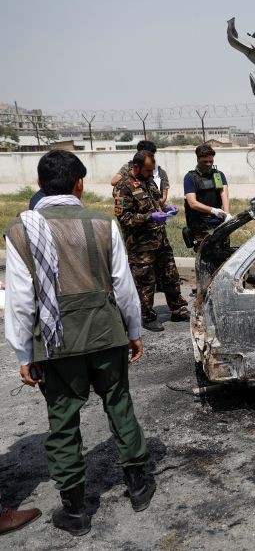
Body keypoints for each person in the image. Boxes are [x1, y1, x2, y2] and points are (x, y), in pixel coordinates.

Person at [4, 150, 155, 536]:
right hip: (106, 334)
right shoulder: (103, 223)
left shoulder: (21, 230)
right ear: (79, 184)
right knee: (119, 404)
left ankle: (75, 511)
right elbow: (124, 287)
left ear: (39, 185)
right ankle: (138, 487)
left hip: (57, 343)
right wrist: (134, 332)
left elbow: (20, 302)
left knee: (63, 421)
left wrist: (24, 353)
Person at [115, 150, 189, 332]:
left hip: (160, 240)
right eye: (147, 170)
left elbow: (157, 203)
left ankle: (178, 309)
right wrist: (150, 217)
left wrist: (167, 207)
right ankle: (147, 316)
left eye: (151, 170)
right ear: (136, 167)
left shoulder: (149, 182)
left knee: (171, 275)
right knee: (145, 282)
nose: (150, 174)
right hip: (141, 245)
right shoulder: (123, 187)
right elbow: (124, 218)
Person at [183, 144, 231, 250]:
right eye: (205, 162)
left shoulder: (218, 175)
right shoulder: (190, 178)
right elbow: (192, 203)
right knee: (205, 256)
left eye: (211, 161)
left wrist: (226, 214)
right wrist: (213, 211)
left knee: (224, 252)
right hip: (200, 224)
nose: (209, 164)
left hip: (218, 223)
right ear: (198, 159)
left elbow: (224, 194)